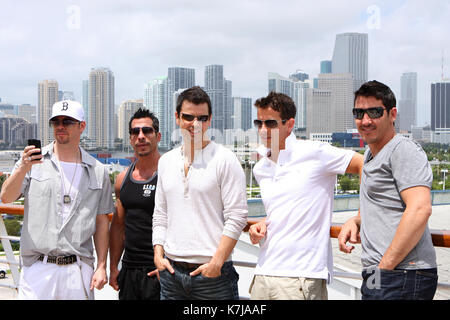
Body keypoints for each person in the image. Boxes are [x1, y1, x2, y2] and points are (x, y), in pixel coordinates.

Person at [248, 91, 363, 300]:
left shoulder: (315, 152)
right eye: (259, 123)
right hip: (263, 273)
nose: (263, 130)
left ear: (289, 125)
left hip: (301, 277)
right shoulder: (260, 168)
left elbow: (365, 166)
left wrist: (360, 216)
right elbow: (287, 206)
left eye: (271, 124)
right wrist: (263, 223)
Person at [0, 100, 113, 300]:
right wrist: (23, 168)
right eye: (56, 122)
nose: (61, 126)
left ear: (82, 126)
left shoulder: (98, 171)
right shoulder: (32, 161)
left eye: (68, 121)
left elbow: (102, 220)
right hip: (38, 269)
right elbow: (6, 197)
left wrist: (102, 265)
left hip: (77, 270)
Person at [338, 80, 437, 300]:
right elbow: (381, 203)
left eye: (374, 112)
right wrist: (355, 221)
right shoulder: (371, 155)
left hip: (403, 273)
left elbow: (420, 208)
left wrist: (385, 267)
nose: (365, 120)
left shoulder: (402, 149)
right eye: (359, 113)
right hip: (381, 273)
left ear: (392, 114)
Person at [152, 86, 248, 300]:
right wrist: (158, 255)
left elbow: (237, 216)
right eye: (188, 117)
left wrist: (217, 262)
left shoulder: (225, 159)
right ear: (177, 117)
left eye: (202, 118)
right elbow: (160, 214)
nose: (196, 124)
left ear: (210, 120)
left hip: (213, 277)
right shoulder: (166, 161)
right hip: (171, 274)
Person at [109, 108, 161, 300]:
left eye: (147, 131)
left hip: (160, 269)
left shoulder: (170, 175)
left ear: (158, 136)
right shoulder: (122, 179)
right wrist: (113, 266)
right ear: (130, 139)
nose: (141, 136)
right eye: (135, 132)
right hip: (129, 270)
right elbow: (118, 226)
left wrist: (170, 264)